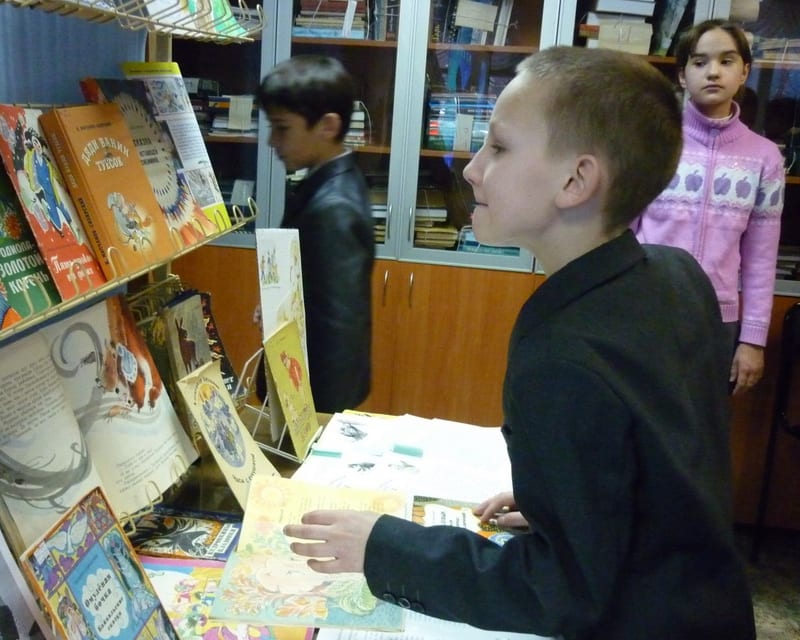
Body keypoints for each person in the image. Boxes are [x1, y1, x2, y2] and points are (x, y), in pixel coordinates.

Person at [283, 46, 756, 640]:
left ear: (575, 180)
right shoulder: (676, 272)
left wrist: (387, 548)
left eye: (499, 148)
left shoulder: (564, 354)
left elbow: (562, 592)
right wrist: (566, 503)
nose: (471, 168)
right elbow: (662, 460)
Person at [633, 19, 785, 395]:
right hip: (646, 311)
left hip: (717, 323)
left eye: (726, 61)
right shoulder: (654, 143)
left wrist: (753, 339)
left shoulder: (765, 158)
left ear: (744, 71)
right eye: (699, 62)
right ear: (682, 75)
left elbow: (761, 257)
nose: (713, 71)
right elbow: (621, 234)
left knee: (701, 423)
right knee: (634, 418)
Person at [255, 54, 374, 414]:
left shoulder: (333, 209)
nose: (272, 141)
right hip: (306, 384)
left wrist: (319, 416)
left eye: (282, 128)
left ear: (328, 126)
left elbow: (340, 326)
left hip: (316, 396)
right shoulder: (329, 183)